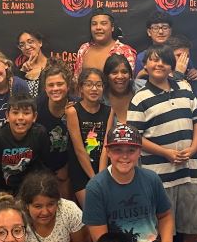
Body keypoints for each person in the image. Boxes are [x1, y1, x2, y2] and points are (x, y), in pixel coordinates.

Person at [127, 44, 197, 242]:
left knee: (193, 225)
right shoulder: (139, 98)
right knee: (160, 227)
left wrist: (193, 148)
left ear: (172, 66)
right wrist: (166, 153)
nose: (159, 64)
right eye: (153, 60)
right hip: (159, 174)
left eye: (164, 61)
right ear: (145, 66)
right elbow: (135, 136)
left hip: (190, 170)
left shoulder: (185, 88)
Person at [0, 93, 50, 193]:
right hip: (3, 191)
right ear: (7, 115)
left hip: (32, 189)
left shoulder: (40, 133)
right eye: (15, 113)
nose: (20, 117)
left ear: (34, 117)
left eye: (26, 113)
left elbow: (44, 167)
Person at [66, 68, 111, 206]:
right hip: (81, 170)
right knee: (92, 211)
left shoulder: (109, 111)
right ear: (81, 88)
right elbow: (79, 150)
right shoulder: (72, 111)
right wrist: (94, 179)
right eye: (89, 84)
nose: (94, 89)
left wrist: (102, 177)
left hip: (102, 167)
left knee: (107, 211)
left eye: (98, 84)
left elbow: (105, 146)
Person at [36, 62, 74, 200]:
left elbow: (81, 144)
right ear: (45, 88)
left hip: (69, 166)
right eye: (51, 85)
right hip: (42, 167)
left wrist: (67, 168)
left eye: (60, 84)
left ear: (68, 86)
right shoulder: (36, 108)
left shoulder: (76, 106)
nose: (55, 88)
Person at [74, 8, 136, 78]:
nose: (98, 27)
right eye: (94, 24)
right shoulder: (84, 49)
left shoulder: (124, 51)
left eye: (103, 23)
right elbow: (77, 80)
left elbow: (128, 82)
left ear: (112, 27)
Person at [134, 11, 173, 76]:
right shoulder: (142, 57)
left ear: (170, 31)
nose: (160, 32)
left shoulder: (179, 54)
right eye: (155, 28)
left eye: (165, 28)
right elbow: (138, 83)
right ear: (149, 32)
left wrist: (193, 73)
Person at [16, 30, 50, 99]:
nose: (27, 47)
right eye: (22, 45)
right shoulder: (19, 70)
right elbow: (16, 96)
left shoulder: (54, 66)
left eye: (30, 42)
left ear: (40, 43)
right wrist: (22, 73)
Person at [103, 53, 134, 125]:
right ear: (106, 76)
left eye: (124, 72)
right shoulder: (99, 100)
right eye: (114, 72)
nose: (120, 76)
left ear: (130, 75)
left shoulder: (141, 90)